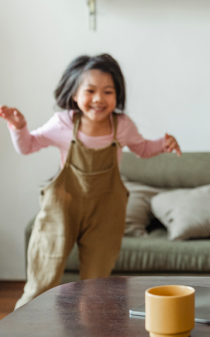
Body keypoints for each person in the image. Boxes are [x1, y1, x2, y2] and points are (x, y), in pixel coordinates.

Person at [1, 54, 181, 308]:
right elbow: (28, 146)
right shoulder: (63, 123)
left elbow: (142, 148)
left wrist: (163, 144)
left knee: (95, 288)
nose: (99, 99)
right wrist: (19, 127)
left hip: (105, 213)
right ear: (75, 94)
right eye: (90, 91)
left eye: (108, 91)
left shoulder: (122, 126)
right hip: (62, 209)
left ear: (117, 95)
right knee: (41, 282)